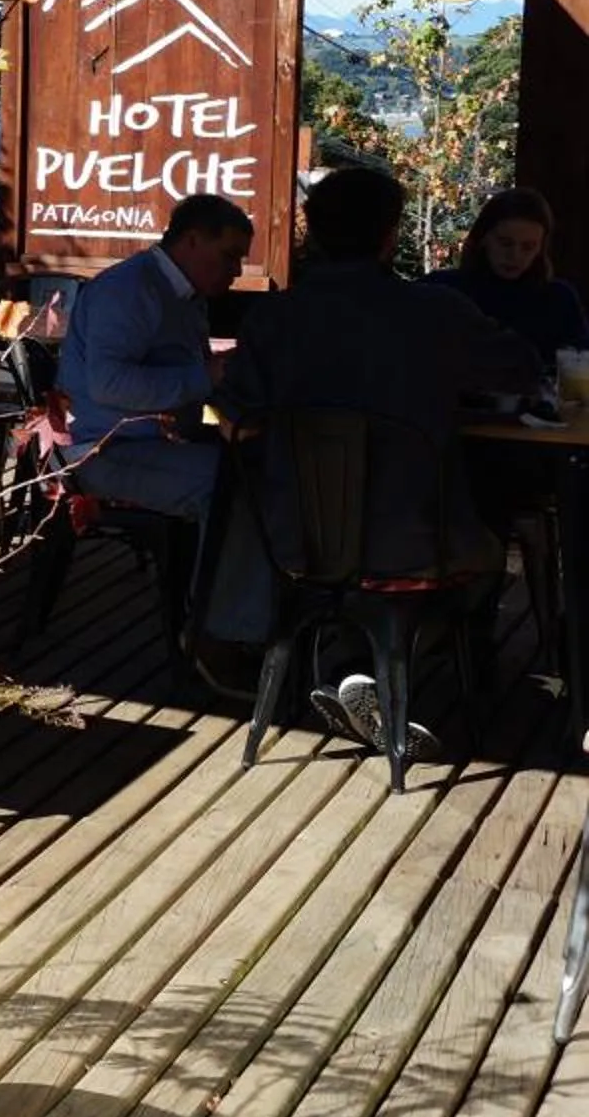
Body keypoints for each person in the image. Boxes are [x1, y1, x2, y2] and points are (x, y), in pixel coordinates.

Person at [202, 167, 537, 738]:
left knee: (340, 566)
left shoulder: (273, 318)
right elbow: (523, 369)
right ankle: (370, 667)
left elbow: (234, 413)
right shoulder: (435, 312)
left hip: (296, 540)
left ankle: (345, 661)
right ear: (390, 236)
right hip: (416, 543)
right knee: (485, 561)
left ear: (315, 233)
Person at [59, 192, 255, 525]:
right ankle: (209, 578)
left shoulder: (185, 294)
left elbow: (198, 378)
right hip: (101, 451)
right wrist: (208, 375)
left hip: (154, 442)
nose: (236, 269)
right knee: (233, 488)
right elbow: (108, 384)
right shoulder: (129, 289)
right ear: (192, 240)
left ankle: (206, 575)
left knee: (262, 465)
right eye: (230, 255)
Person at [423, 187, 589, 369]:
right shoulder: (442, 290)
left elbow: (579, 368)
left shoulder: (559, 300)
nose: (515, 255)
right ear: (484, 238)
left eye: (528, 247)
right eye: (505, 243)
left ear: (540, 249)